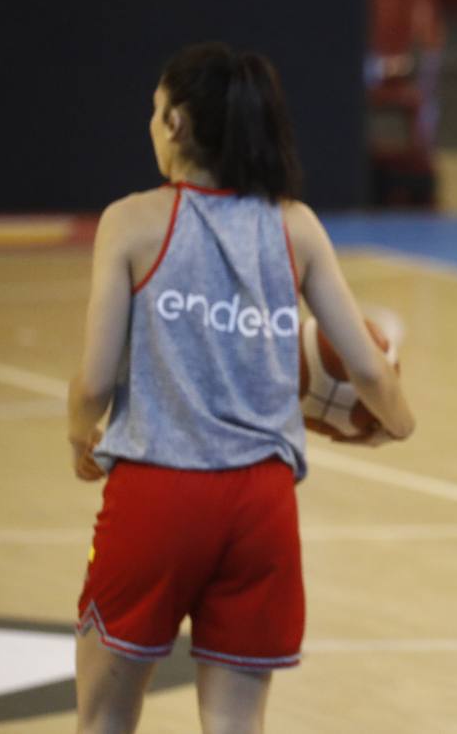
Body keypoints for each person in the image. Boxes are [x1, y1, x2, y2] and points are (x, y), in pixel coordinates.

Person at [67, 42, 415, 733]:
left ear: (176, 125)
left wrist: (80, 432)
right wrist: (398, 423)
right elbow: (370, 369)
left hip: (156, 494)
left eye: (155, 111)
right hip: (261, 504)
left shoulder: (131, 222)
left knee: (105, 720)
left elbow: (96, 379)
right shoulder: (295, 225)